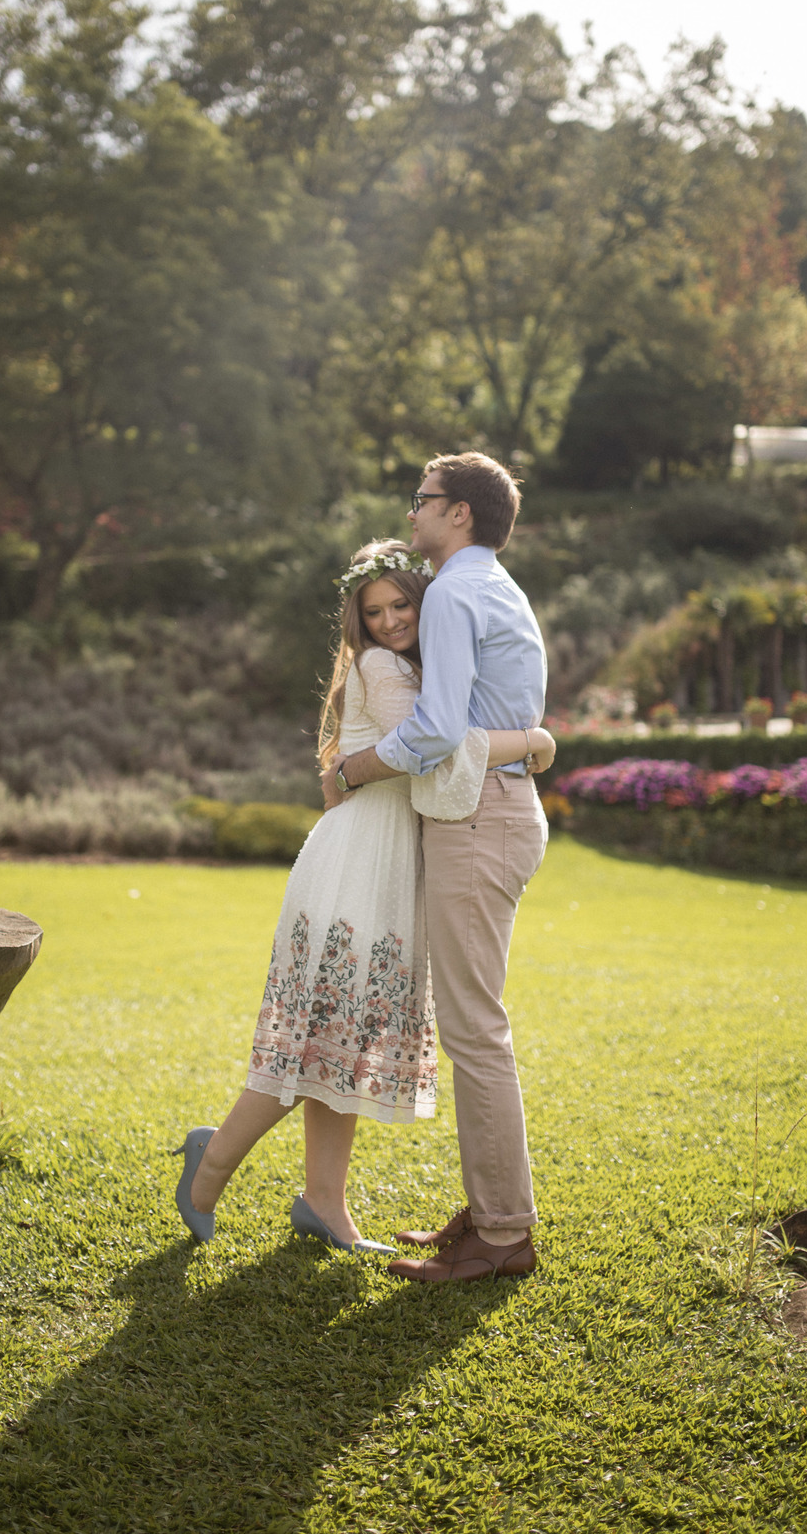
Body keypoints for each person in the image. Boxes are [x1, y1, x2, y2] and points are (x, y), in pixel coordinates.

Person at [172, 537, 557, 1254]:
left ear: (422, 600)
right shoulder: (382, 667)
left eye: (399, 605)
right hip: (355, 867)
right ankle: (210, 1164)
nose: (388, 622)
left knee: (340, 1045)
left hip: (384, 863)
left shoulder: (415, 666)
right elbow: (439, 748)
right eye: (373, 612)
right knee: (317, 1038)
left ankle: (324, 1201)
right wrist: (535, 739)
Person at [322, 452, 548, 1284]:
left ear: (459, 513)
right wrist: (533, 744)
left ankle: (502, 1234)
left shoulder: (454, 591)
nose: (410, 513)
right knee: (473, 1026)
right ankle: (490, 1213)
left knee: (474, 1031)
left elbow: (438, 728)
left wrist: (350, 771)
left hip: (477, 814)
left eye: (421, 500)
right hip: (497, 807)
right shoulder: (495, 586)